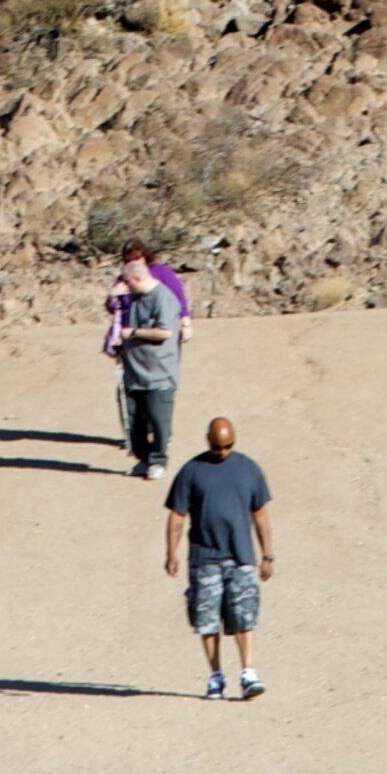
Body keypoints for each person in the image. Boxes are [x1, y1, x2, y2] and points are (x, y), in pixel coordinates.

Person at [160, 414, 275, 701]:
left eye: (227, 446)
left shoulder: (249, 470)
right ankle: (215, 676)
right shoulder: (191, 472)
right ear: (208, 442)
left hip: (241, 557)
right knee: (207, 620)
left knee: (244, 615)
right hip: (205, 558)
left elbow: (260, 515)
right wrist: (171, 553)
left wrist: (267, 555)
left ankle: (249, 673)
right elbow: (177, 516)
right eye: (217, 447)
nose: (222, 452)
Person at [113, 247, 183, 479]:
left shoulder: (163, 298)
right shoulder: (133, 300)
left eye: (127, 283)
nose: (125, 287)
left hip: (159, 374)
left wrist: (133, 333)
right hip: (133, 374)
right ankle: (142, 459)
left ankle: (158, 461)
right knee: (134, 423)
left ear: (135, 279)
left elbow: (164, 333)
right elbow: (117, 320)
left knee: (159, 421)